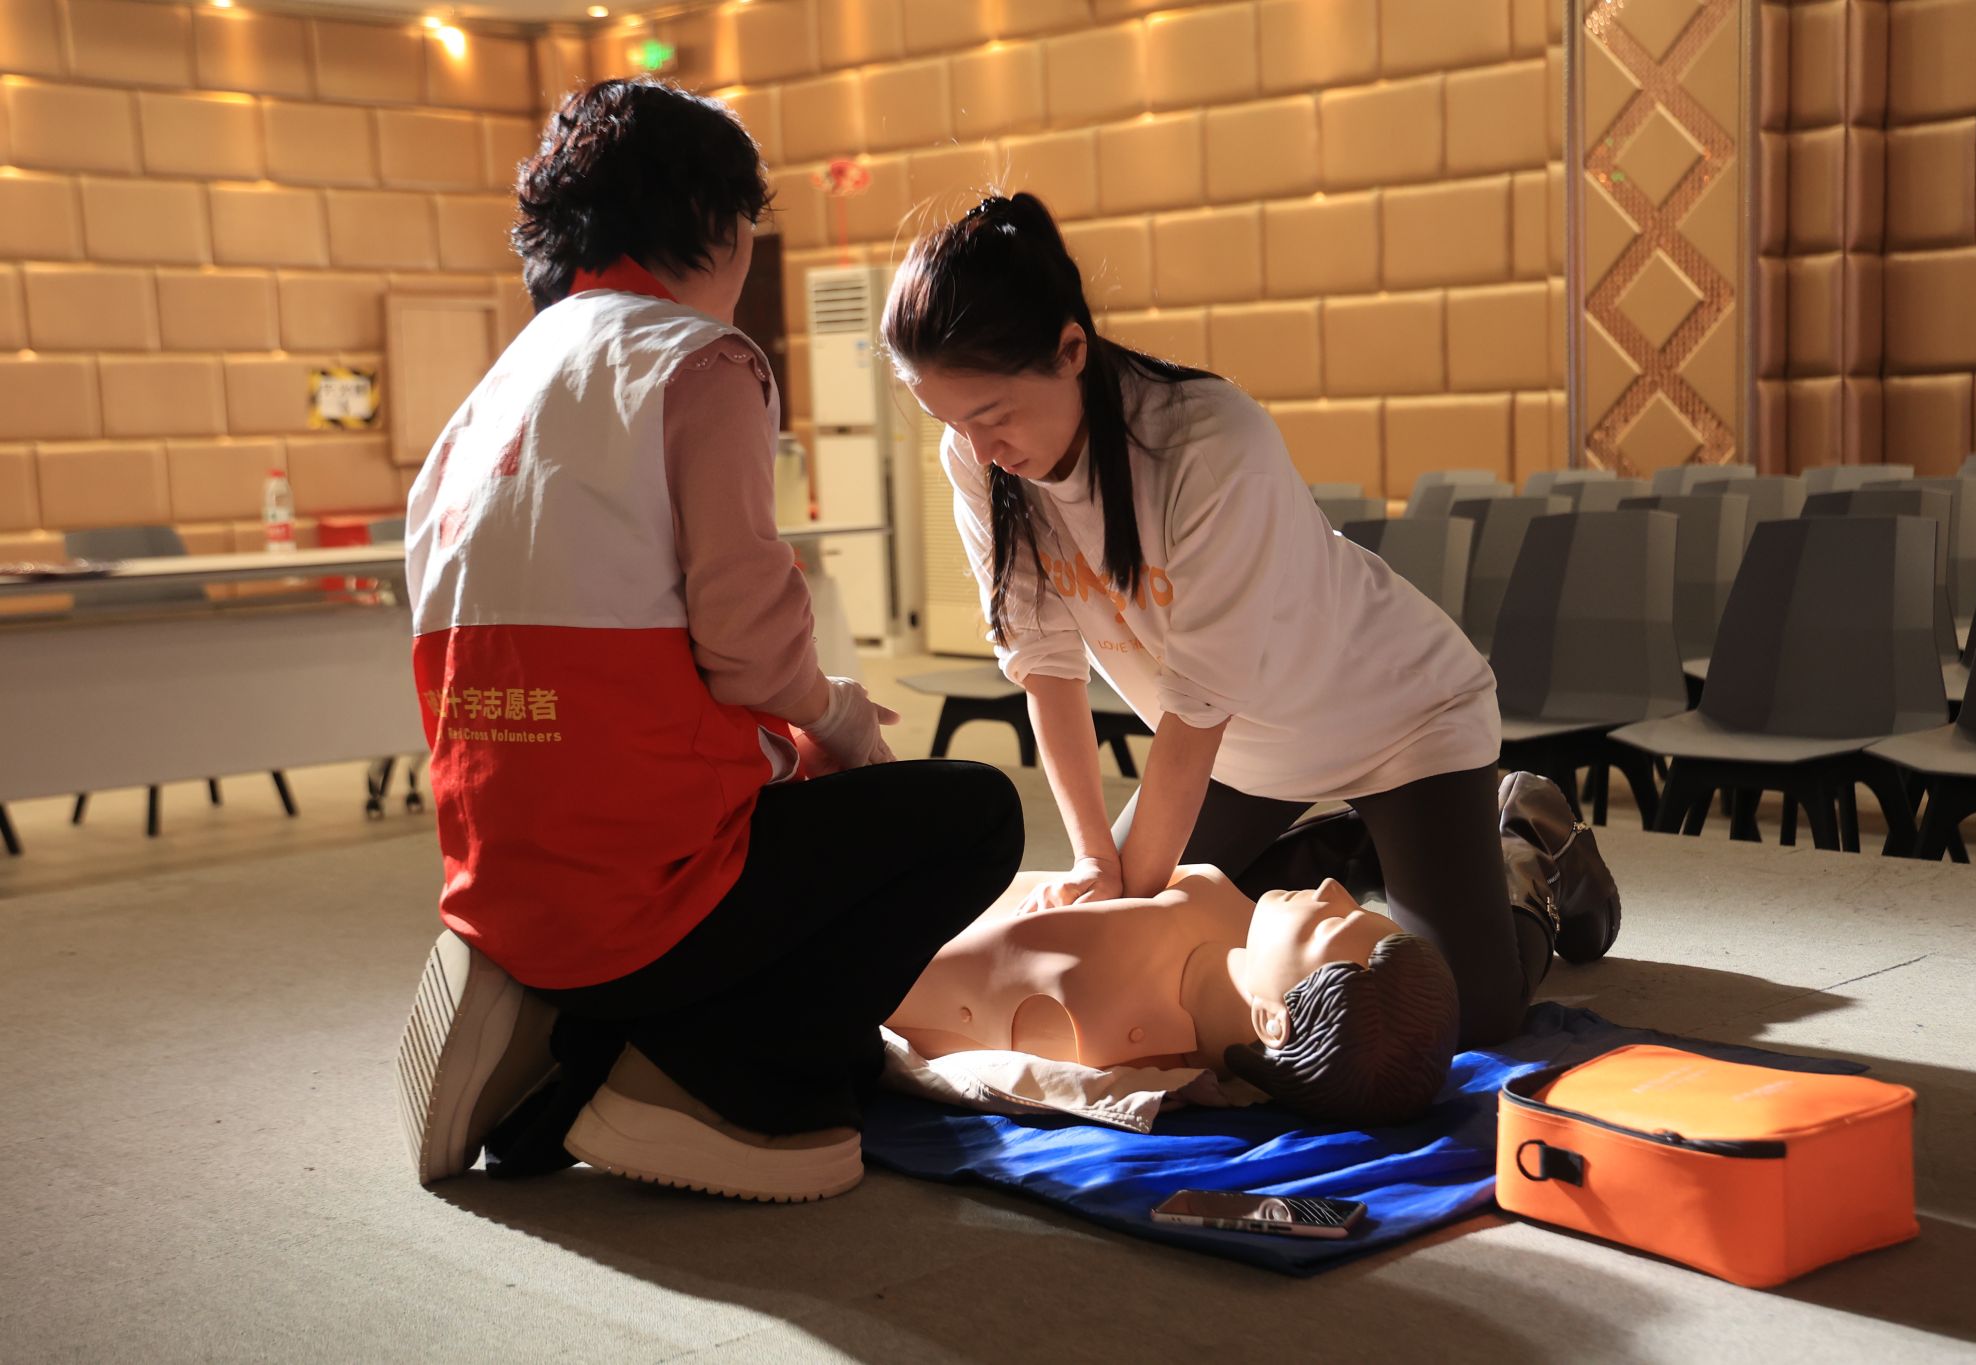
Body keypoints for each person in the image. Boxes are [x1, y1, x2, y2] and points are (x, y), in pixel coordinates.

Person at [397, 79, 1024, 1204]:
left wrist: (784, 742)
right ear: (719, 225)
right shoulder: (698, 361)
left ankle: (560, 1041)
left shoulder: (481, 402)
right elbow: (746, 647)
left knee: (846, 1043)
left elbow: (615, 679)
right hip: (645, 895)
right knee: (972, 815)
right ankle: (701, 1092)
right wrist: (836, 717)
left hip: (501, 882)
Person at [883, 193, 1620, 1048]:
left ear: (1071, 350)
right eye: (949, 422)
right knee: (1157, 949)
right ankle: (1363, 846)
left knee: (1461, 1018)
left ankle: (1524, 836)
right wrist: (1092, 862)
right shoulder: (977, 461)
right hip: (1239, 753)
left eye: (992, 416)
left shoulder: (1209, 441)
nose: (978, 450)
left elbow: (1194, 711)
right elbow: (1045, 665)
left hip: (1400, 719)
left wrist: (1125, 906)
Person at [886, 867, 1461, 1128]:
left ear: (1272, 1022)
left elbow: (900, 977)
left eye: (1327, 924)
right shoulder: (1237, 921)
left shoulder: (1104, 1023)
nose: (1334, 887)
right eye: (1355, 905)